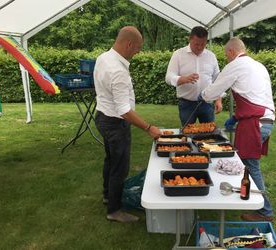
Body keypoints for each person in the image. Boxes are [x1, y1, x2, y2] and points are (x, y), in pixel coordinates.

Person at [200, 37, 275, 221]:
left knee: (250, 166)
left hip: (254, 123)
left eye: (226, 55)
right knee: (248, 164)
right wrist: (235, 117)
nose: (226, 59)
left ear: (232, 52)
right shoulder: (258, 66)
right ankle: (247, 196)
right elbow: (254, 95)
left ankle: (265, 211)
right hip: (267, 120)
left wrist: (203, 95)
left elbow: (214, 90)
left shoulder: (236, 65)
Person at [94, 26, 162, 223]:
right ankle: (114, 210)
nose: (138, 51)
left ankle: (108, 195)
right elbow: (124, 111)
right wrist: (149, 128)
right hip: (115, 123)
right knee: (120, 167)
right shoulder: (117, 70)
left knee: (110, 160)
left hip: (102, 117)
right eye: (138, 47)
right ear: (129, 44)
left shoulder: (103, 57)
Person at [165, 26, 222, 126]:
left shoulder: (211, 56)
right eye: (196, 44)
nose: (199, 47)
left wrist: (218, 99)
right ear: (190, 39)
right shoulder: (178, 54)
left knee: (209, 135)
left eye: (203, 44)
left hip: (207, 103)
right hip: (186, 103)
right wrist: (183, 79)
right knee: (188, 135)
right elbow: (168, 77)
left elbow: (217, 79)